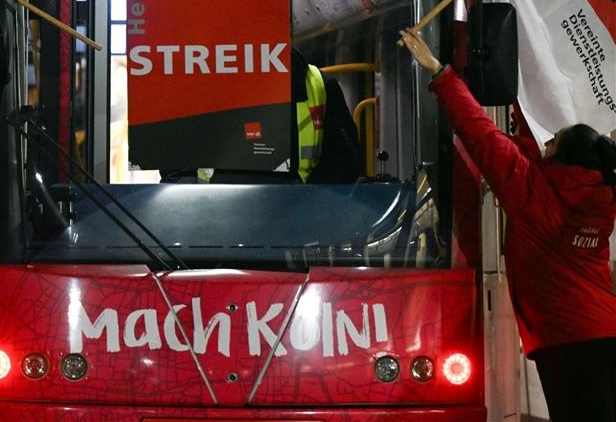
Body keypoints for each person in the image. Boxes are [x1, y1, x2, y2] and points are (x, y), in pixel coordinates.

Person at [399, 28, 616, 422]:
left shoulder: (530, 190)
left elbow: (481, 133)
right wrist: (515, 88)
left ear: (562, 157)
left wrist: (439, 72)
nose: (542, 145)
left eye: (552, 143)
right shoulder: (600, 196)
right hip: (606, 332)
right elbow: (529, 146)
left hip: (566, 344)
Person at [187, 48, 362, 185]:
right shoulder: (197, 81)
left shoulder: (319, 84)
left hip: (295, 217)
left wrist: (307, 203)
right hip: (213, 215)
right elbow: (177, 170)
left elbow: (344, 163)